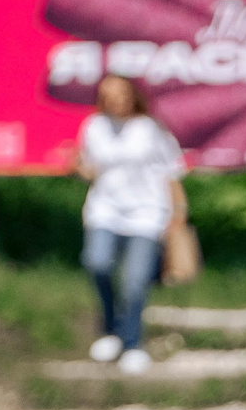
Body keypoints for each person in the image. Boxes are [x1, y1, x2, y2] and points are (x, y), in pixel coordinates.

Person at [74, 75, 185, 377]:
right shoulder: (94, 127)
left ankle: (133, 343)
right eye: (107, 95)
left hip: (146, 213)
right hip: (105, 210)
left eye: (120, 93)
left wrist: (178, 212)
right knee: (97, 263)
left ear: (132, 95)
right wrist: (80, 167)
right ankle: (111, 329)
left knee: (135, 280)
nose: (115, 100)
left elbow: (171, 172)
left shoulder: (150, 129)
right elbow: (88, 165)